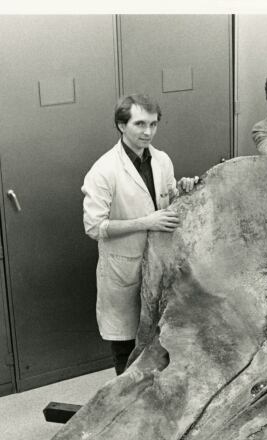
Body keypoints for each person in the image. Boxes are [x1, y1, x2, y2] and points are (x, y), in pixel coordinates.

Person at [82, 93, 198, 374]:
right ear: (122, 126)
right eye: (140, 124)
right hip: (124, 270)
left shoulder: (161, 160)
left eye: (153, 124)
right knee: (126, 348)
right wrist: (146, 222)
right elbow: (94, 226)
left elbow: (166, 206)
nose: (148, 132)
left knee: (161, 342)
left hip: (160, 266)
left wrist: (182, 191)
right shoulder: (104, 170)